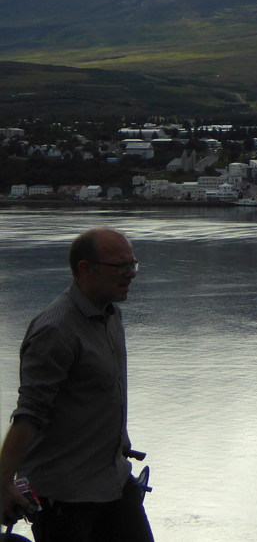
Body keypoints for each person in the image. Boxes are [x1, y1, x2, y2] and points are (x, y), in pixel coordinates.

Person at [0, 228, 154, 542]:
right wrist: (2, 483)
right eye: (120, 266)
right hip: (66, 496)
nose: (131, 274)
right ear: (86, 269)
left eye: (133, 264)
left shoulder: (111, 314)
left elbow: (101, 389)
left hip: (112, 477)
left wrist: (118, 437)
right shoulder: (56, 330)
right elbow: (29, 414)